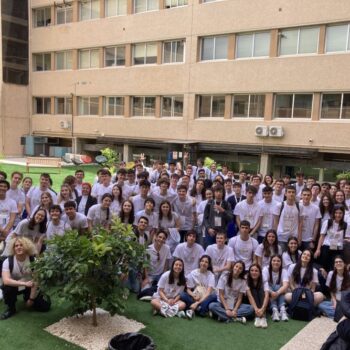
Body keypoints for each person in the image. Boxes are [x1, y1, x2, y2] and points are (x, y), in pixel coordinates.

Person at [1, 237, 50, 319]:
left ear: (26, 247)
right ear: (13, 248)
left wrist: (31, 299)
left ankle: (27, 297)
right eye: (16, 246)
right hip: (16, 286)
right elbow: (6, 281)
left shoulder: (33, 261)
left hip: (30, 286)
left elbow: (36, 280)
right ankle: (11, 308)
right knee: (7, 287)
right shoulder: (8, 261)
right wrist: (24, 283)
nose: (19, 247)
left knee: (45, 307)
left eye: (21, 245)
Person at [315, 205, 349, 272]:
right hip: (327, 247)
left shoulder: (345, 225)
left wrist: (346, 240)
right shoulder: (328, 222)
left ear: (343, 214)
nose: (338, 215)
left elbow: (347, 237)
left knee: (336, 267)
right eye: (336, 213)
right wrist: (318, 249)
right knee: (324, 266)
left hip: (338, 248)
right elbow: (322, 236)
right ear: (333, 213)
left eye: (340, 213)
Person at [273, 185, 301, 251]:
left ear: (295, 194)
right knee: (280, 256)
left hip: (293, 237)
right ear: (285, 194)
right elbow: (275, 222)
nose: (291, 194)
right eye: (289, 192)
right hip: (281, 237)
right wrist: (276, 236)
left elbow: (300, 222)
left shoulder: (299, 206)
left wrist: (299, 237)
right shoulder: (279, 205)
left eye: (293, 192)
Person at [262, 255, 289, 322]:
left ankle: (282, 310)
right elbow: (264, 284)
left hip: (278, 293)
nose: (276, 262)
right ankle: (275, 310)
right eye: (274, 260)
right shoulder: (266, 269)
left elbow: (285, 285)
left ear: (281, 262)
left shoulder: (284, 271)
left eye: (278, 261)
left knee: (279, 287)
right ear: (271, 262)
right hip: (269, 292)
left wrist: (277, 293)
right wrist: (272, 292)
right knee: (272, 286)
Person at [246, 263, 270, 328]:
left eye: (256, 271)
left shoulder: (264, 279)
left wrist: (262, 309)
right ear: (249, 272)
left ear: (260, 273)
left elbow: (267, 295)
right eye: (252, 270)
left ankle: (263, 317)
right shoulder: (246, 280)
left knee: (261, 290)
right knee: (253, 290)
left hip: (263, 304)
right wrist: (256, 309)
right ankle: (257, 317)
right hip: (251, 303)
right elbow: (249, 296)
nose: (254, 272)